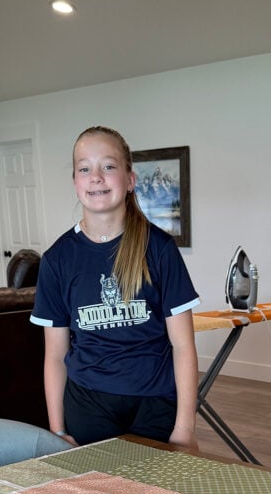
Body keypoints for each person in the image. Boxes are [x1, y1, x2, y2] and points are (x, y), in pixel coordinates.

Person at [31, 126, 200, 450]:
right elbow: (55, 355)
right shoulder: (57, 260)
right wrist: (57, 429)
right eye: (85, 168)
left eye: (108, 166)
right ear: (75, 182)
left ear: (130, 179)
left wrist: (185, 427)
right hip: (88, 406)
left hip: (155, 404)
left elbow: (183, 347)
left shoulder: (160, 249)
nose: (96, 177)